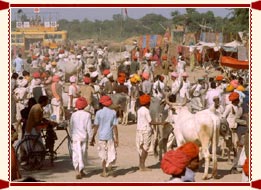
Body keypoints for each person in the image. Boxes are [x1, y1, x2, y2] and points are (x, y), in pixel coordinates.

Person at [90, 95, 119, 177]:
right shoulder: (113, 112)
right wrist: (117, 138)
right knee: (111, 152)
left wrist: (92, 138)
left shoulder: (98, 113)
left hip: (101, 137)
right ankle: (110, 167)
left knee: (103, 154)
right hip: (110, 136)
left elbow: (96, 126)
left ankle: (104, 171)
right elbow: (115, 127)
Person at [70, 97, 93, 179]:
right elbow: (89, 128)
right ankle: (81, 171)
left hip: (75, 137)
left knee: (76, 154)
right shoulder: (87, 115)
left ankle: (77, 171)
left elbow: (71, 127)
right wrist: (91, 139)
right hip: (83, 137)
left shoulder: (73, 115)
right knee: (83, 154)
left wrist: (71, 137)